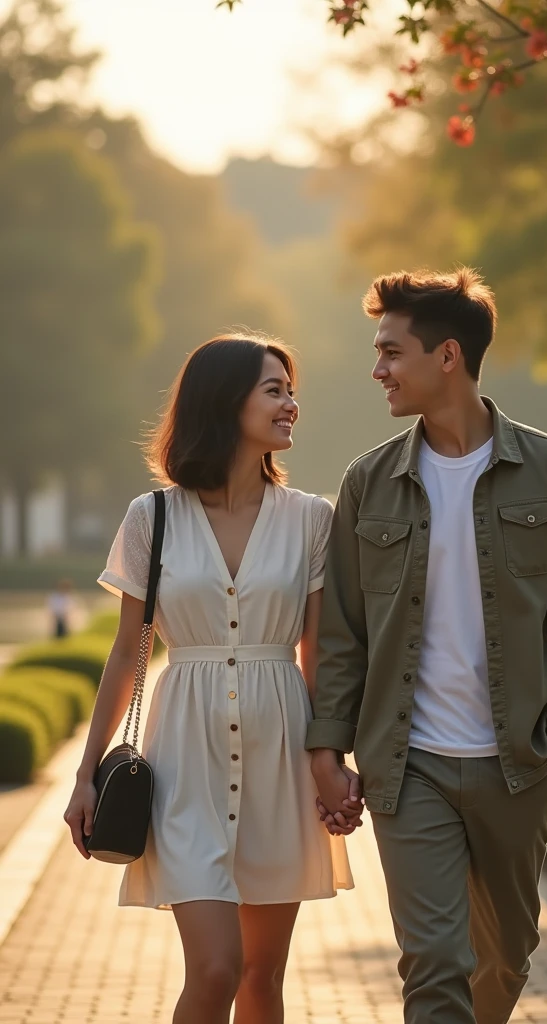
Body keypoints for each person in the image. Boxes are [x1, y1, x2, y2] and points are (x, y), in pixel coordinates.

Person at [308, 268, 547, 1024]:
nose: (377, 369)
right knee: (435, 958)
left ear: (448, 356)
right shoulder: (368, 483)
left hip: (519, 763)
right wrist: (327, 751)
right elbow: (342, 632)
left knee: (505, 954)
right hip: (408, 767)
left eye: (391, 352)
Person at [63, 334, 356, 1024]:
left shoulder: (313, 520)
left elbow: (322, 656)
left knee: (262, 975)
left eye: (292, 389)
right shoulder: (152, 517)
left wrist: (329, 762)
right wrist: (84, 774)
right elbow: (127, 652)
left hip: (279, 755)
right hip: (184, 760)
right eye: (274, 390)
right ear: (226, 402)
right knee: (217, 966)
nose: (292, 404)